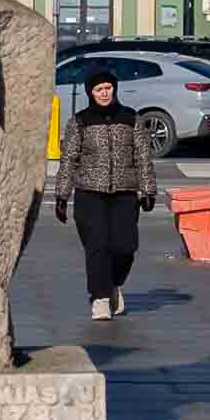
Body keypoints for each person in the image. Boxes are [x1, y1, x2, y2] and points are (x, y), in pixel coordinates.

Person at [51, 72, 158, 320]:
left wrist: (149, 190)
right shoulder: (80, 121)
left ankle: (113, 285)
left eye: (108, 87)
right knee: (97, 246)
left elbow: (143, 157)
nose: (104, 93)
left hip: (124, 193)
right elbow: (69, 160)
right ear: (90, 92)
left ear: (115, 89)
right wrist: (61, 196)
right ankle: (100, 298)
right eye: (99, 89)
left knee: (125, 247)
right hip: (89, 193)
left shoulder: (131, 118)